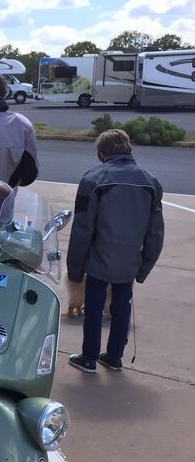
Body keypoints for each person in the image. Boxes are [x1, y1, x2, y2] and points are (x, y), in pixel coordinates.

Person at [67, 129, 164, 373]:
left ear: (102, 153)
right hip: (130, 258)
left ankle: (89, 356)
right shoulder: (151, 182)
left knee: (95, 304)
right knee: (122, 306)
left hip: (99, 256)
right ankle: (114, 356)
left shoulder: (92, 178)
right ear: (128, 148)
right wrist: (144, 267)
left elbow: (82, 229)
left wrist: (75, 269)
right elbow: (155, 232)